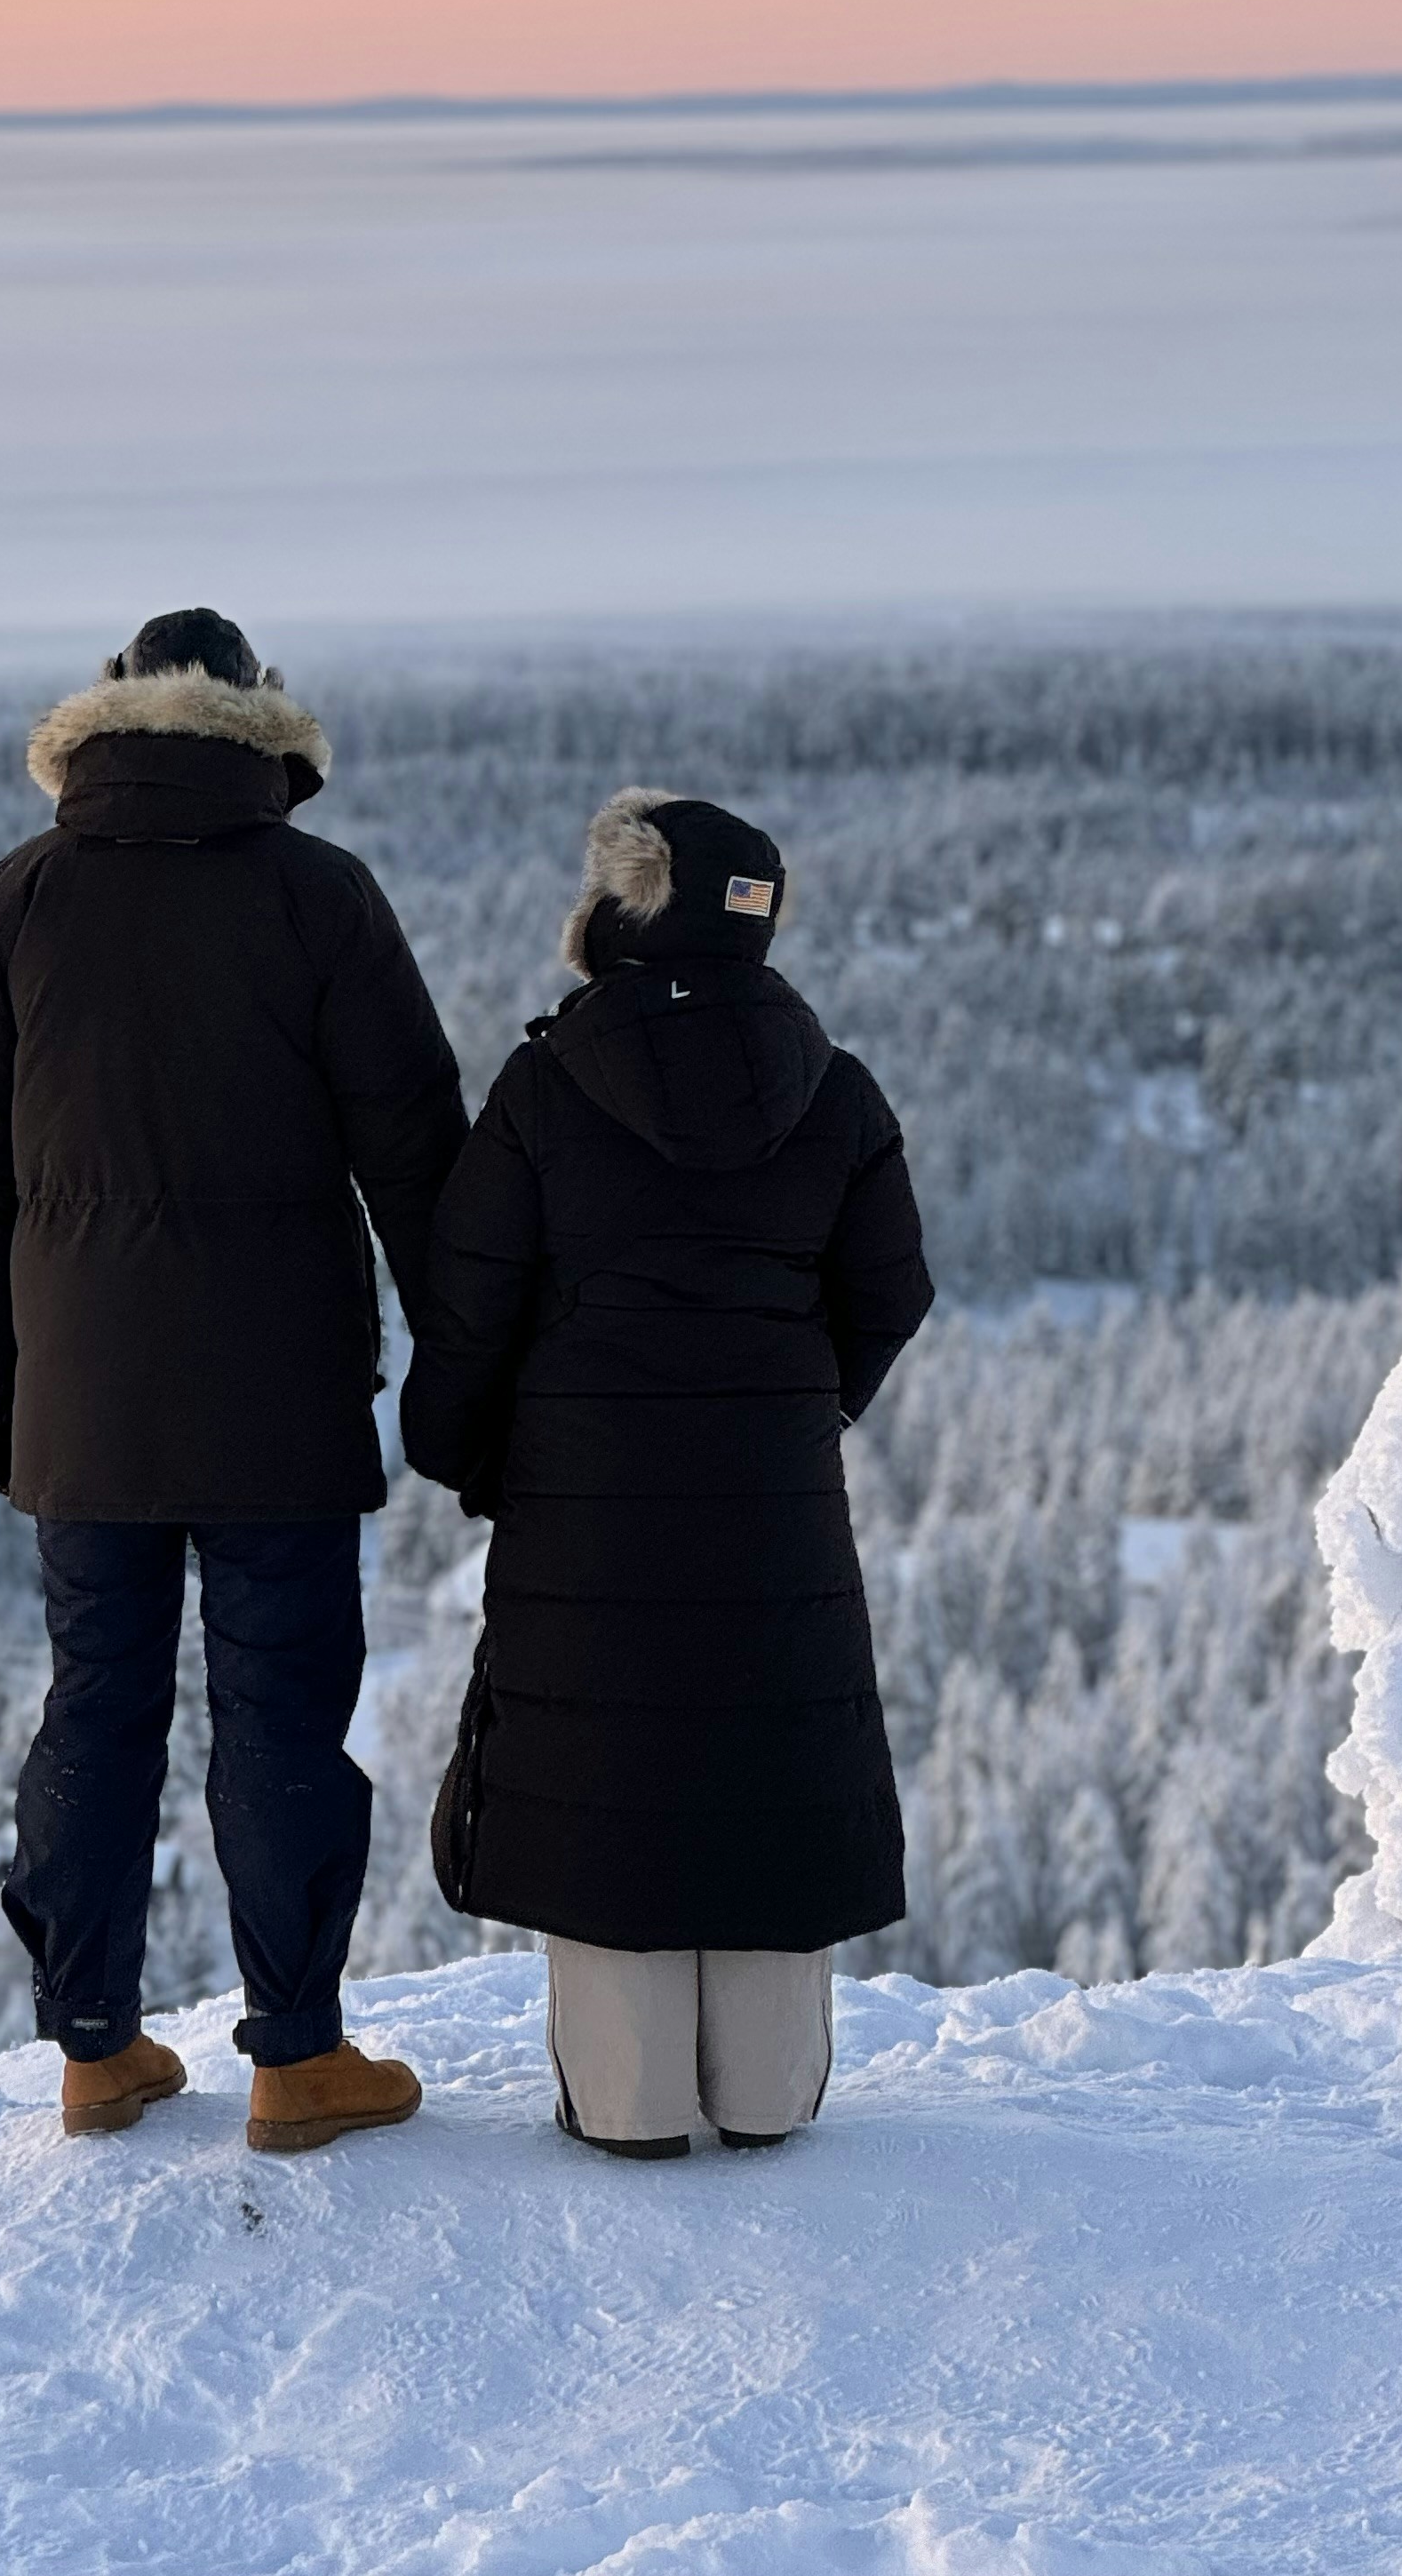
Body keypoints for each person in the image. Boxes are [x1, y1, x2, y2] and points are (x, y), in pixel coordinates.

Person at [0, 607, 467, 2150]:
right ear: (258, 723)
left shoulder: (20, 899)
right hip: (280, 1394)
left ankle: (95, 2050)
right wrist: (466, 1376)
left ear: (105, 722)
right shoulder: (319, 895)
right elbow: (417, 1155)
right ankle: (296, 2060)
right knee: (283, 1711)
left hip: (81, 1406)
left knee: (97, 1702)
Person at [402, 787, 933, 2159]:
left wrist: (471, 1456)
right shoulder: (837, 1087)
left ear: (621, 911)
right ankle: (764, 2095)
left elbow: (468, 1306)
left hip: (584, 1489)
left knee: (605, 1764)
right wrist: (799, 1409)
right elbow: (891, 1290)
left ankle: (629, 2102)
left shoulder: (545, 1085)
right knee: (767, 1752)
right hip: (773, 1492)